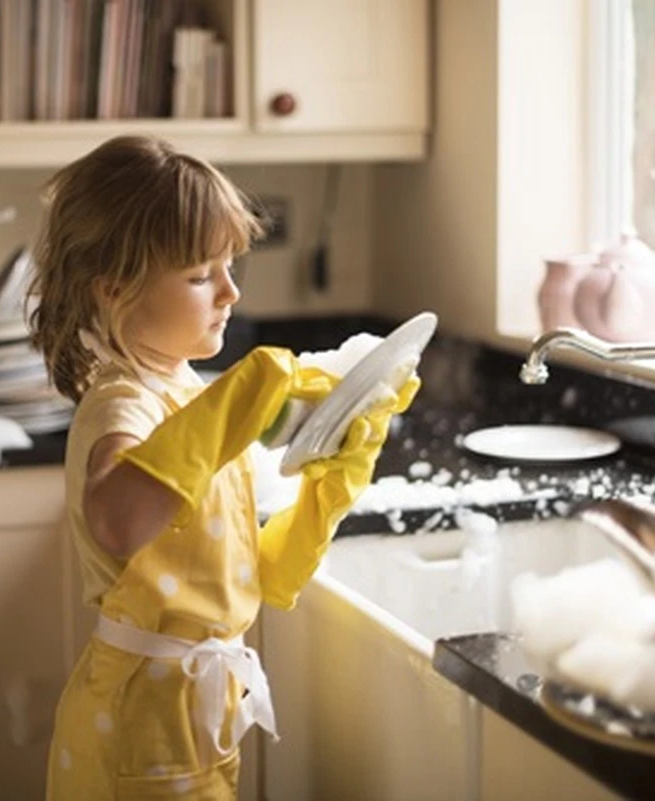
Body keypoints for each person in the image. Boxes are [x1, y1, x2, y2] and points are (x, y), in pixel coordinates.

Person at [28, 135, 420, 800]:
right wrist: (240, 398)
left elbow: (255, 572)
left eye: (230, 266)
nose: (232, 292)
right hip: (135, 728)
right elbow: (119, 522)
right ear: (116, 288)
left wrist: (330, 486)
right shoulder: (124, 403)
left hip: (191, 717)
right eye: (202, 274)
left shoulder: (183, 388)